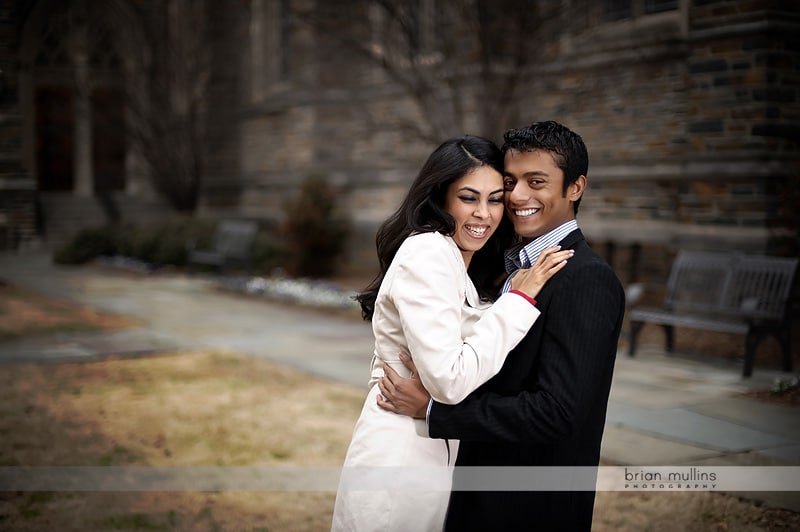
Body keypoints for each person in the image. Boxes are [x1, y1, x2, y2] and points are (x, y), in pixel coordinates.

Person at [377, 121, 626, 531]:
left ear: (575, 188)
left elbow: (559, 413)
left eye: (537, 181)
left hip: (528, 506)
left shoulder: (585, 278)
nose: (518, 196)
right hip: (475, 491)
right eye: (510, 181)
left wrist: (434, 410)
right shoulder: (506, 266)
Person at [331, 135, 573, 532]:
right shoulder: (428, 252)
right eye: (468, 197)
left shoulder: (456, 259)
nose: (484, 214)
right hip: (400, 453)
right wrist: (520, 300)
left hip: (432, 449)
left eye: (495, 199)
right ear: (441, 197)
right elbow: (449, 380)